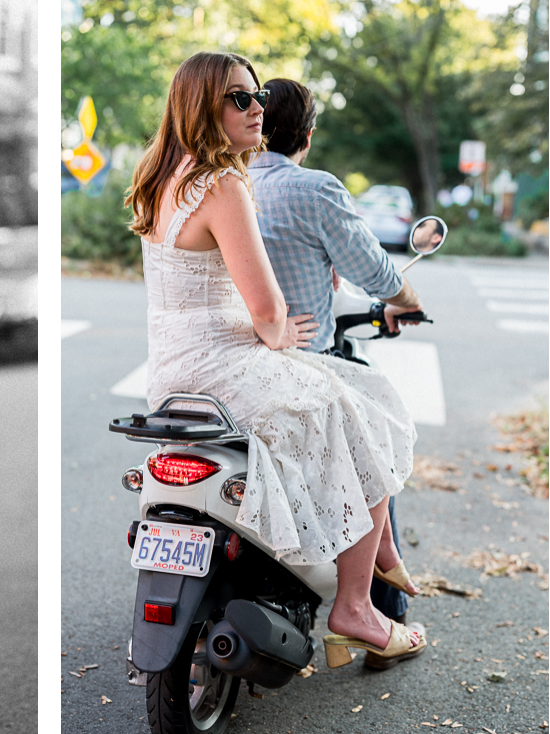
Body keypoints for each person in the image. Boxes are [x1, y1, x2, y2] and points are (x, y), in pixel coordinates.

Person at [125, 52, 426, 669]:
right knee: (369, 409)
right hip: (228, 366)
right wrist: (282, 332)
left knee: (344, 401)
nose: (257, 106)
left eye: (257, 94)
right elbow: (265, 312)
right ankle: (354, 605)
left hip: (174, 374)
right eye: (240, 97)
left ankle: (378, 555)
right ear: (202, 105)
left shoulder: (162, 179)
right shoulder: (223, 183)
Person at [247, 78, 424, 642]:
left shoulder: (221, 184)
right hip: (299, 357)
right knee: (380, 428)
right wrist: (408, 302)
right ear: (308, 133)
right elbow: (375, 273)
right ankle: (376, 606)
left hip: (220, 356)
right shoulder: (313, 189)